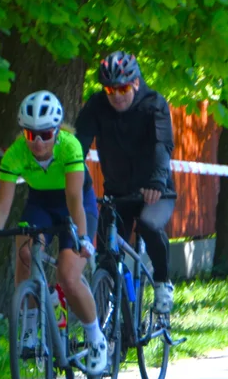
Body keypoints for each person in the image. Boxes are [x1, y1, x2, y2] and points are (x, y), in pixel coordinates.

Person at [0, 90, 108, 376]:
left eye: (46, 134)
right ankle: (31, 325)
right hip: (40, 203)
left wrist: (82, 237)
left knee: (67, 276)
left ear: (56, 130)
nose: (40, 142)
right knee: (24, 252)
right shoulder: (14, 153)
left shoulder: (70, 147)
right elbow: (1, 206)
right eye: (32, 135)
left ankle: (96, 337)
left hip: (77, 204)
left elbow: (73, 198)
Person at [74, 50, 177, 314]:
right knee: (106, 253)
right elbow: (77, 147)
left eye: (122, 88)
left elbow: (162, 144)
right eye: (110, 89)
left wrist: (156, 182)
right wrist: (77, 177)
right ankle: (111, 321)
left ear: (135, 83)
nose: (116, 96)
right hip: (117, 191)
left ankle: (163, 283)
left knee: (149, 225)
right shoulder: (97, 105)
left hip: (154, 191)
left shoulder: (154, 104)